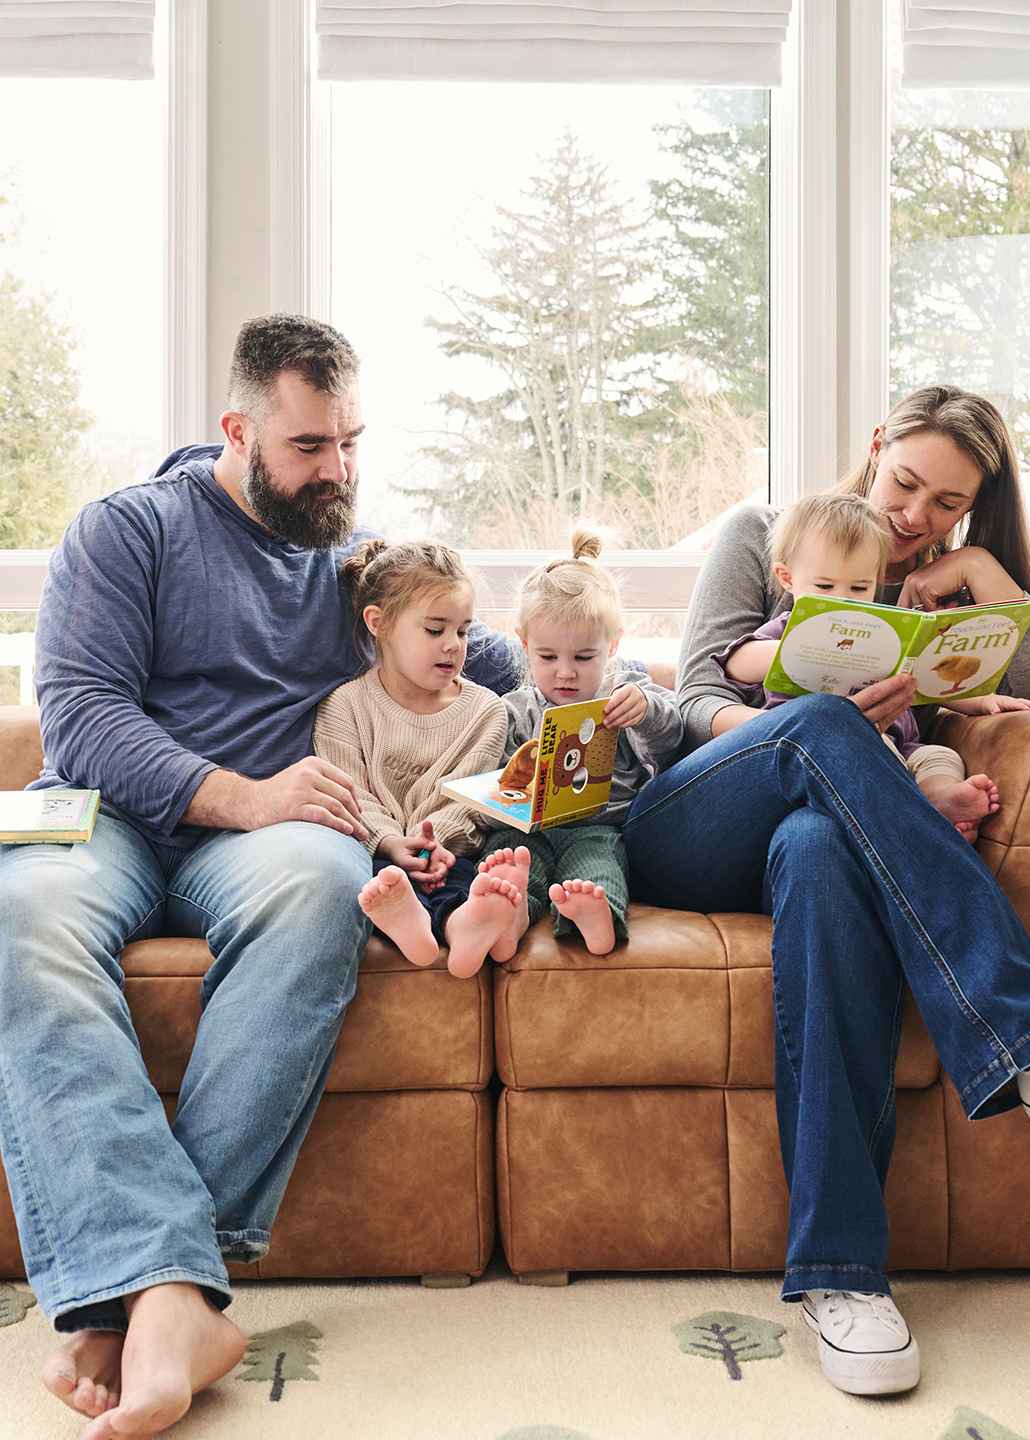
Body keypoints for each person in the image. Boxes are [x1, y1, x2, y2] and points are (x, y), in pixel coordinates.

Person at [0, 313, 523, 1440]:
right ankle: (171, 1289)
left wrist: (620, 687)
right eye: (307, 448)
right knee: (17, 917)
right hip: (115, 815)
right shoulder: (128, 530)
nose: (334, 470)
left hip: (271, 844)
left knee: (317, 887)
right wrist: (241, 792)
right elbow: (81, 715)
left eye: (350, 443)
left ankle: (151, 1300)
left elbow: (494, 657)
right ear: (237, 429)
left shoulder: (359, 563)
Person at [621, 385, 1030, 1397]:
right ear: (875, 450)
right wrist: (814, 729)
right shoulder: (765, 531)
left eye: (946, 506)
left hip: (817, 833)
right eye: (905, 482)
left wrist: (984, 576)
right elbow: (692, 694)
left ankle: (844, 1280)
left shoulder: (945, 580)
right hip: (692, 820)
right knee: (826, 738)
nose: (916, 515)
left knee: (823, 850)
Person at [714, 491, 1030, 840]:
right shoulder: (788, 630)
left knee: (940, 757)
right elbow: (736, 663)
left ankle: (940, 798)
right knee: (873, 749)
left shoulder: (883, 633)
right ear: (788, 578)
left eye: (859, 587)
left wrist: (981, 701)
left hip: (903, 746)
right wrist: (798, 649)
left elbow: (923, 680)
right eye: (825, 585)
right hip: (831, 753)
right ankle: (910, 817)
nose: (843, 598)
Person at [313, 538, 524, 979]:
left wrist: (437, 848)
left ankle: (460, 924)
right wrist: (391, 843)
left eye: (463, 631)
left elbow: (472, 802)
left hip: (452, 855)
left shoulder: (486, 711)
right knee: (371, 883)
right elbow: (347, 793)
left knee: (471, 879)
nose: (454, 645)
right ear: (380, 623)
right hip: (376, 852)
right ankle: (409, 922)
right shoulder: (345, 707)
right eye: (435, 630)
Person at [479, 528, 683, 958]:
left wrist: (645, 710)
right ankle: (509, 914)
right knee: (507, 861)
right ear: (525, 644)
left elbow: (671, 741)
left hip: (598, 827)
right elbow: (490, 783)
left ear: (612, 645)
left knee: (598, 870)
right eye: (548, 657)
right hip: (526, 830)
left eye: (584, 657)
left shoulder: (625, 692)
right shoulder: (513, 710)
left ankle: (596, 914)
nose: (566, 673)